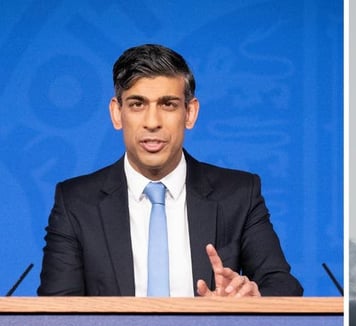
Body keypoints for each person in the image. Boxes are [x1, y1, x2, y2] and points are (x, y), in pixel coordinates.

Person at [38, 44, 302, 298]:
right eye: (137, 104)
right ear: (117, 113)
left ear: (190, 113)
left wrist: (246, 302)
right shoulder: (75, 202)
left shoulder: (239, 195)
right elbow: (56, 313)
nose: (152, 122)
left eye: (168, 104)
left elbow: (281, 286)